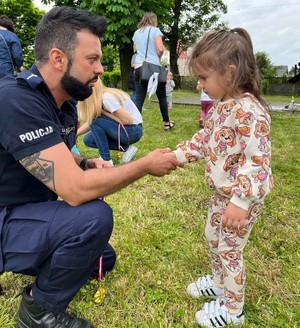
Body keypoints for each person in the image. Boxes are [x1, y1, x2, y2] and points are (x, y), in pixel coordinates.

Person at [0, 6, 182, 328]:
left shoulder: (63, 100)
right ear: (58, 58)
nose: (100, 69)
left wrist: (85, 161)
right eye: (92, 59)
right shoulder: (17, 100)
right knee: (94, 219)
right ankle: (39, 312)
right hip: (5, 215)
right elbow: (75, 191)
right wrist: (143, 166)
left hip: (25, 210)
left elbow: (51, 150)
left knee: (102, 257)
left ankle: (39, 259)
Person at [173, 28, 274, 327]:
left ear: (229, 73)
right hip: (222, 196)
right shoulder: (220, 108)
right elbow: (207, 140)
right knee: (212, 238)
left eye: (204, 79)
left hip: (240, 200)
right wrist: (176, 156)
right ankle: (219, 284)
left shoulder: (249, 113)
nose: (200, 86)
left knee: (230, 249)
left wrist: (241, 202)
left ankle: (233, 310)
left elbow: (258, 163)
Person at [77, 78, 143, 165]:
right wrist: (76, 134)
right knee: (89, 139)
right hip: (125, 130)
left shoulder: (106, 98)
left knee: (96, 121)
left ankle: (106, 160)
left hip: (133, 130)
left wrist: (104, 113)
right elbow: (90, 122)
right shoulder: (100, 98)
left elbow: (128, 120)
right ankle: (126, 148)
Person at [132, 12, 175, 131]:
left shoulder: (136, 33)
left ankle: (136, 125)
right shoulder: (155, 31)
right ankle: (167, 123)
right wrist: (158, 55)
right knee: (161, 96)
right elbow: (160, 48)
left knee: (139, 98)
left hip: (139, 67)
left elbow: (136, 49)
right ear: (153, 20)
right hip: (153, 68)